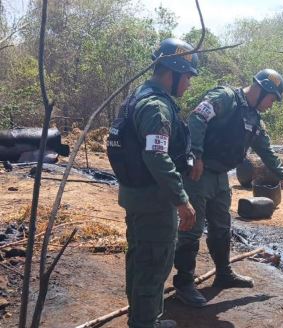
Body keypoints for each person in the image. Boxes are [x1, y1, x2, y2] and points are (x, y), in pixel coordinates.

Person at [173, 69, 283, 307]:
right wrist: (196, 154)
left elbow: (265, 148)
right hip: (199, 174)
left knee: (222, 227)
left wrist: (282, 176)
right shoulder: (225, 98)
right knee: (192, 229)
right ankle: (184, 283)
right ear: (262, 91)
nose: (271, 105)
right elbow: (197, 118)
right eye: (272, 99)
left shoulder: (254, 119)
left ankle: (223, 273)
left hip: (221, 178)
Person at [107, 38, 198, 328]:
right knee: (154, 263)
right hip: (154, 201)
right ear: (172, 73)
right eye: (187, 77)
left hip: (137, 197)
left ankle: (143, 318)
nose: (189, 84)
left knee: (139, 258)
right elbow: (157, 156)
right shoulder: (156, 106)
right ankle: (145, 323)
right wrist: (181, 200)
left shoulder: (138, 96)